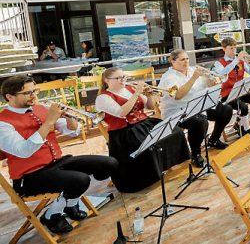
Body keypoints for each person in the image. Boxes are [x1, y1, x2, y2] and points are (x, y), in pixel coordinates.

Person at [0, 76, 118, 234]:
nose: (34, 96)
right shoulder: (3, 122)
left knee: (109, 163)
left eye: (35, 91)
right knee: (80, 180)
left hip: (56, 163)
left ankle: (69, 203)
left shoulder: (40, 108)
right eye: (28, 93)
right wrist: (49, 121)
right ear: (9, 96)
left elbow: (72, 132)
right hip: (28, 176)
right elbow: (24, 150)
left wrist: (69, 117)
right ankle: (51, 215)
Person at [95, 67, 189, 193]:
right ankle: (151, 175)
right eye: (118, 78)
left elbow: (149, 106)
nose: (122, 80)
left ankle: (164, 164)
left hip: (144, 123)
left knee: (175, 131)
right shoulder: (103, 98)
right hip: (124, 132)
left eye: (124, 77)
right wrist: (136, 94)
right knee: (146, 146)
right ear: (107, 80)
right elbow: (122, 112)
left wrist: (149, 96)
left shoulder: (130, 89)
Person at [159, 49, 233, 151]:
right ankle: (195, 152)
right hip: (178, 111)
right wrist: (193, 78)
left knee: (226, 110)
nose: (186, 62)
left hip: (198, 105)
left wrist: (211, 79)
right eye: (182, 60)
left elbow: (209, 85)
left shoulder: (192, 70)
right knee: (200, 122)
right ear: (173, 61)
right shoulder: (169, 77)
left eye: (187, 59)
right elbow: (178, 95)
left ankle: (214, 140)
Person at [212, 37, 250, 139]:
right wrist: (236, 60)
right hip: (228, 94)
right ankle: (246, 129)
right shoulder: (219, 63)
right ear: (224, 49)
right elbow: (222, 73)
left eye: (235, 48)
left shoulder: (240, 62)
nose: (234, 51)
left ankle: (242, 124)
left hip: (241, 91)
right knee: (243, 107)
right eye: (231, 48)